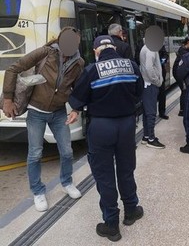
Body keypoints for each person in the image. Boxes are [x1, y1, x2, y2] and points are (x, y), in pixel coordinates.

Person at [68, 35, 144, 242]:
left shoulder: (92, 69)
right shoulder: (131, 65)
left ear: (96, 51)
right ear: (114, 47)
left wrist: (76, 109)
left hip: (102, 127)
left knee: (105, 175)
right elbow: (139, 93)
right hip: (127, 125)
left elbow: (78, 97)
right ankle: (131, 210)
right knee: (126, 169)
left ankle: (111, 224)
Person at [2, 27, 84, 212]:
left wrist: (76, 109)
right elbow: (12, 69)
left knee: (67, 151)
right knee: (35, 154)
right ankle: (38, 191)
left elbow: (79, 89)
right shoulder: (45, 53)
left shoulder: (79, 63)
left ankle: (67, 182)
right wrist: (8, 99)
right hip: (36, 111)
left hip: (59, 112)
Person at [139, 43, 166, 148]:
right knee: (151, 113)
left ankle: (146, 136)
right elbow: (149, 68)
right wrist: (157, 81)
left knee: (146, 113)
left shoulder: (145, 47)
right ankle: (151, 138)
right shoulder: (151, 49)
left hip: (146, 84)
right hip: (150, 84)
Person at [172, 36, 189, 116]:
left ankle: (184, 108)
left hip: (179, 72)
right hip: (179, 73)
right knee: (184, 90)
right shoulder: (184, 51)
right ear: (188, 42)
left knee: (185, 90)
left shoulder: (184, 49)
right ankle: (182, 110)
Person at [158, 44, 169, 119]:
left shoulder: (160, 45)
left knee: (162, 93)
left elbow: (165, 55)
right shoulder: (142, 45)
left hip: (160, 73)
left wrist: (162, 60)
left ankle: (162, 112)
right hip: (149, 74)